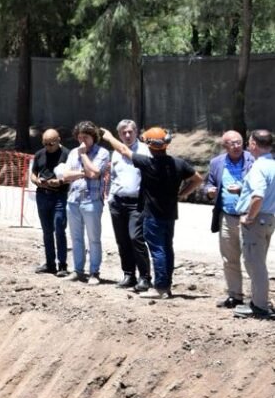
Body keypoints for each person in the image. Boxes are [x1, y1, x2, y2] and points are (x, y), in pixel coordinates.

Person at [99, 126, 202, 299]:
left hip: (152, 214)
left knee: (157, 250)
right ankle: (166, 285)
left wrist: (109, 137)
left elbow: (123, 150)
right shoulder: (178, 163)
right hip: (170, 214)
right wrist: (183, 193)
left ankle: (160, 287)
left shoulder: (148, 163)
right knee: (167, 249)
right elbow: (197, 179)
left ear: (149, 145)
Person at [204, 130, 255, 309]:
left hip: (249, 218)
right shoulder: (217, 163)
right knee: (229, 259)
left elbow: (260, 188)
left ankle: (257, 299)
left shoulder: (253, 160)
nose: (236, 146)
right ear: (225, 146)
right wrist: (209, 191)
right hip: (226, 217)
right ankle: (235, 295)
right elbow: (209, 183)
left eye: (239, 142)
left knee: (252, 259)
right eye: (231, 143)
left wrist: (242, 189)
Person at [60, 121, 110, 284]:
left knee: (93, 238)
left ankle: (94, 272)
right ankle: (78, 270)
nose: (82, 141)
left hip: (92, 200)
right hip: (73, 200)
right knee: (76, 238)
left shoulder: (102, 153)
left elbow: (95, 173)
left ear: (93, 137)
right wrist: (83, 172)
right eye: (79, 137)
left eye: (86, 138)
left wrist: (83, 155)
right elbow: (65, 175)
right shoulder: (73, 152)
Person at [233, 130, 275, 318]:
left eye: (249, 142)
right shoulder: (272, 165)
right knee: (258, 262)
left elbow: (258, 195)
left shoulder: (259, 167)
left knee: (254, 263)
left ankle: (259, 306)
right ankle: (259, 301)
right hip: (268, 219)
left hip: (257, 220)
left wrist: (250, 217)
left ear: (253, 145)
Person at [108, 119, 152, 292]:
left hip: (137, 203)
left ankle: (145, 277)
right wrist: (110, 197)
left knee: (136, 238)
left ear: (136, 132)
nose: (127, 135)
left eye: (130, 132)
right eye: (123, 132)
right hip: (117, 202)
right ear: (119, 134)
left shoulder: (144, 150)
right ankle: (128, 274)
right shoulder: (116, 153)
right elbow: (113, 176)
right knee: (122, 240)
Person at [30, 129, 69, 277]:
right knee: (47, 232)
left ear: (58, 140)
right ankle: (50, 263)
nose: (48, 147)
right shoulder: (39, 154)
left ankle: (63, 265)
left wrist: (59, 182)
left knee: (59, 228)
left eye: (51, 144)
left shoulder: (67, 154)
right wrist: (36, 181)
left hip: (59, 195)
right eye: (45, 144)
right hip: (42, 196)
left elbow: (72, 174)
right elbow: (33, 173)